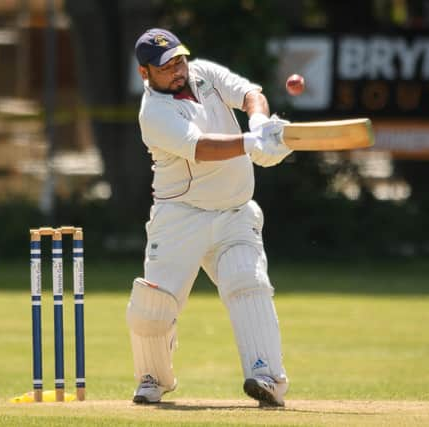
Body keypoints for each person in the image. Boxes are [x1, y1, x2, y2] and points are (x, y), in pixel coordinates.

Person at [126, 28, 291, 407]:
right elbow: (200, 147)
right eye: (166, 66)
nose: (177, 69)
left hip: (234, 211)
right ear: (145, 73)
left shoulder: (205, 73)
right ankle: (154, 377)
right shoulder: (154, 112)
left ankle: (265, 377)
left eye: (179, 59)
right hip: (179, 216)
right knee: (154, 306)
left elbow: (251, 93)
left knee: (248, 285)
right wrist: (253, 145)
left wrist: (259, 124)